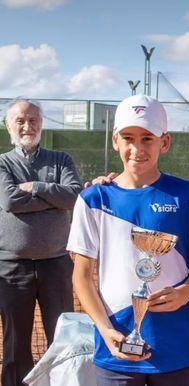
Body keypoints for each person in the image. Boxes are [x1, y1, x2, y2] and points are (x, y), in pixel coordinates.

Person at [67, 94, 189, 386]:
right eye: (128, 138)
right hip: (116, 349)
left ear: (165, 142)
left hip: (175, 349)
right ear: (115, 141)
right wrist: (106, 332)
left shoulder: (188, 194)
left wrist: (184, 293)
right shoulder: (93, 199)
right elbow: (81, 277)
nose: (137, 148)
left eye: (147, 138)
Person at [0, 98, 82, 386]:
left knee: (63, 337)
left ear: (42, 124)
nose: (27, 125)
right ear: (8, 125)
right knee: (15, 344)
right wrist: (53, 198)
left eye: (33, 119)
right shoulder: (1, 163)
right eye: (20, 120)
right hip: (11, 267)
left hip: (56, 265)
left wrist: (36, 187)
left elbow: (74, 196)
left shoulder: (61, 160)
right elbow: (10, 200)